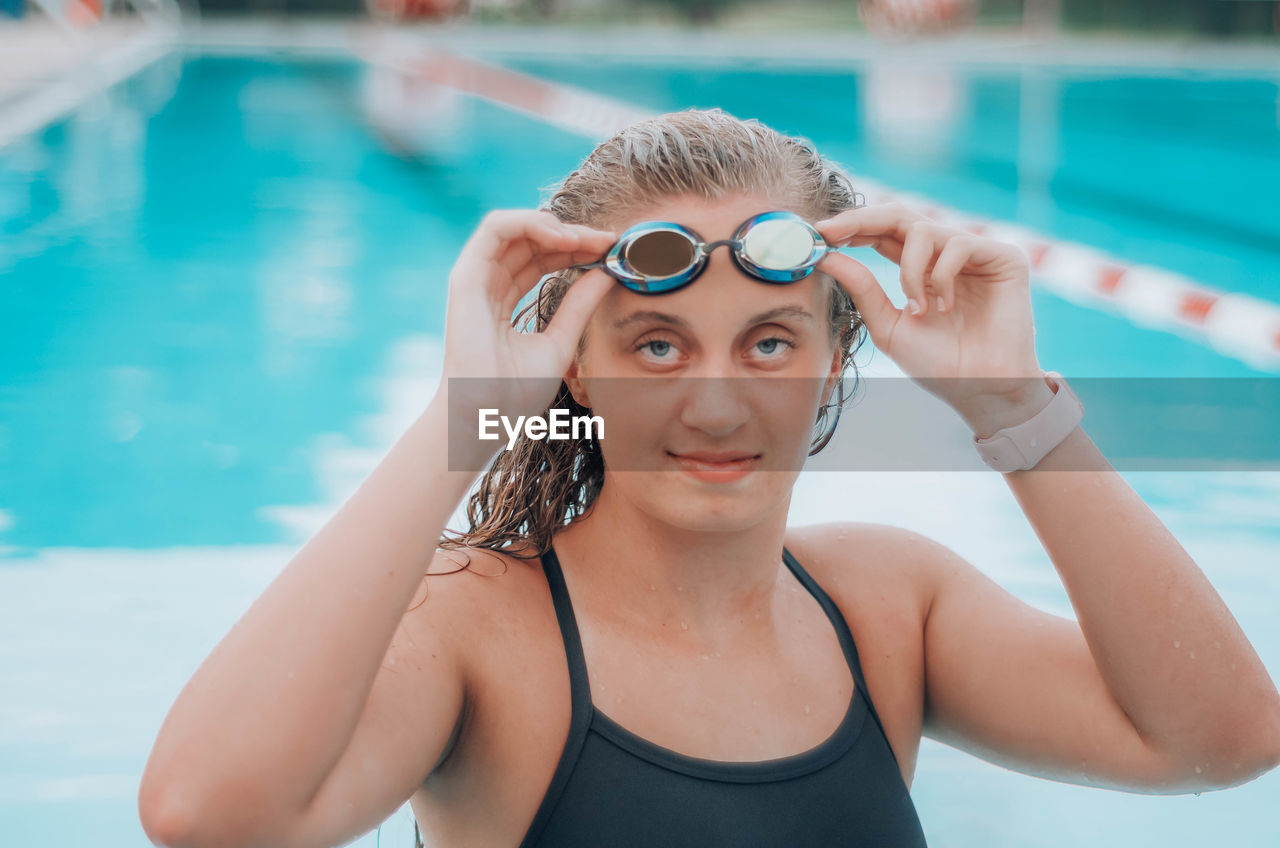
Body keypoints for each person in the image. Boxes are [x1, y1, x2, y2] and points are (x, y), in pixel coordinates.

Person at [138, 108, 1280, 848]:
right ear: (573, 368)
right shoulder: (480, 625)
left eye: (769, 342)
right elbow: (208, 813)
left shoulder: (887, 607)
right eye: (655, 344)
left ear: (836, 358)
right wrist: (464, 419)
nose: (718, 402)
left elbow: (1218, 740)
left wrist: (1016, 410)